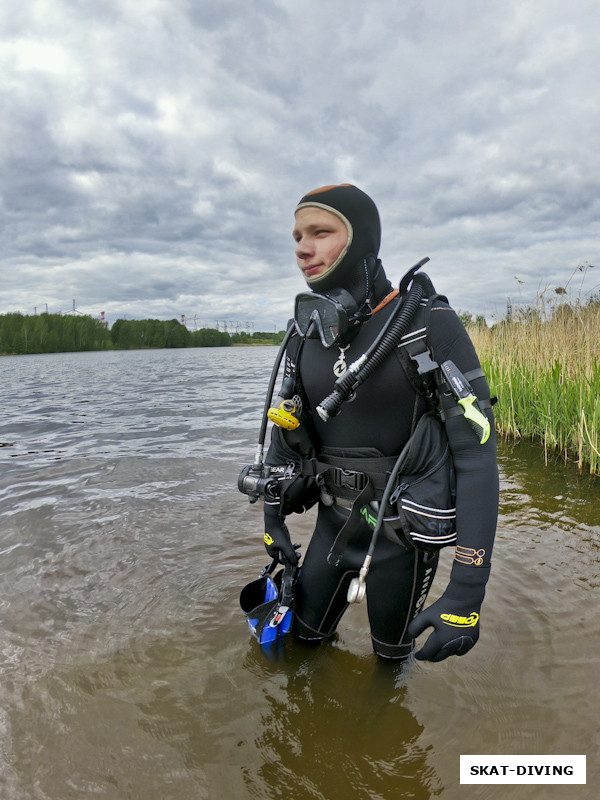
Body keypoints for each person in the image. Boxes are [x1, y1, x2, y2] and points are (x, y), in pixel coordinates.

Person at [258, 183, 499, 663]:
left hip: (400, 540)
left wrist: (466, 595)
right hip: (332, 527)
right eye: (297, 236)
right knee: (299, 650)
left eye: (320, 232)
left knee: (391, 668)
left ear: (362, 238)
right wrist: (273, 524)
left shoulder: (426, 324)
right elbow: (285, 439)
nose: (302, 249)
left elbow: (476, 458)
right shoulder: (303, 336)